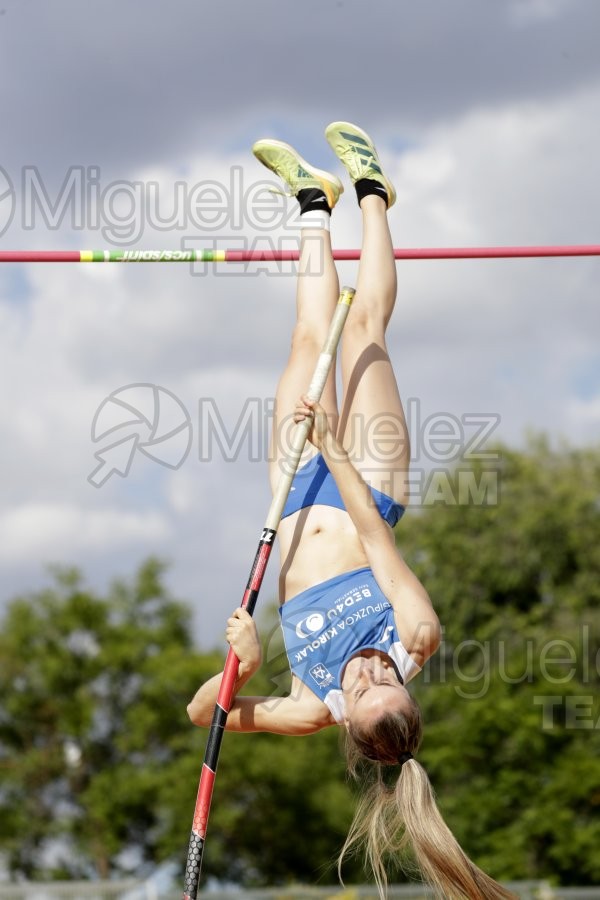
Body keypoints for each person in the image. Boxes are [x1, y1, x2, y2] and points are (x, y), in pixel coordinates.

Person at [188, 122, 514, 900]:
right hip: (360, 479)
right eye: (389, 680)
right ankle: (371, 192)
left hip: (293, 498)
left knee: (307, 335)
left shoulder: (307, 707)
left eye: (365, 687)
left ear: (346, 724)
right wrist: (332, 446)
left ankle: (311, 202)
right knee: (362, 328)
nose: (372, 670)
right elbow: (373, 534)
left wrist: (243, 666)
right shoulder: (417, 636)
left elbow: (206, 714)